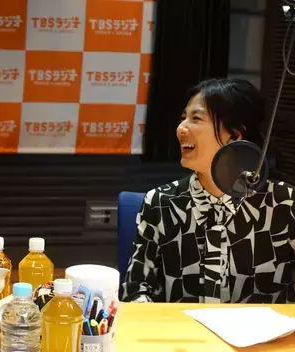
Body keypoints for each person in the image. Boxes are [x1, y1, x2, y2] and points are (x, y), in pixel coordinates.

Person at [122, 77, 295, 304]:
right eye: (183, 118)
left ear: (234, 135)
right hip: (180, 328)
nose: (181, 128)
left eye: (196, 118)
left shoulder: (284, 204)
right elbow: (135, 291)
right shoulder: (160, 202)